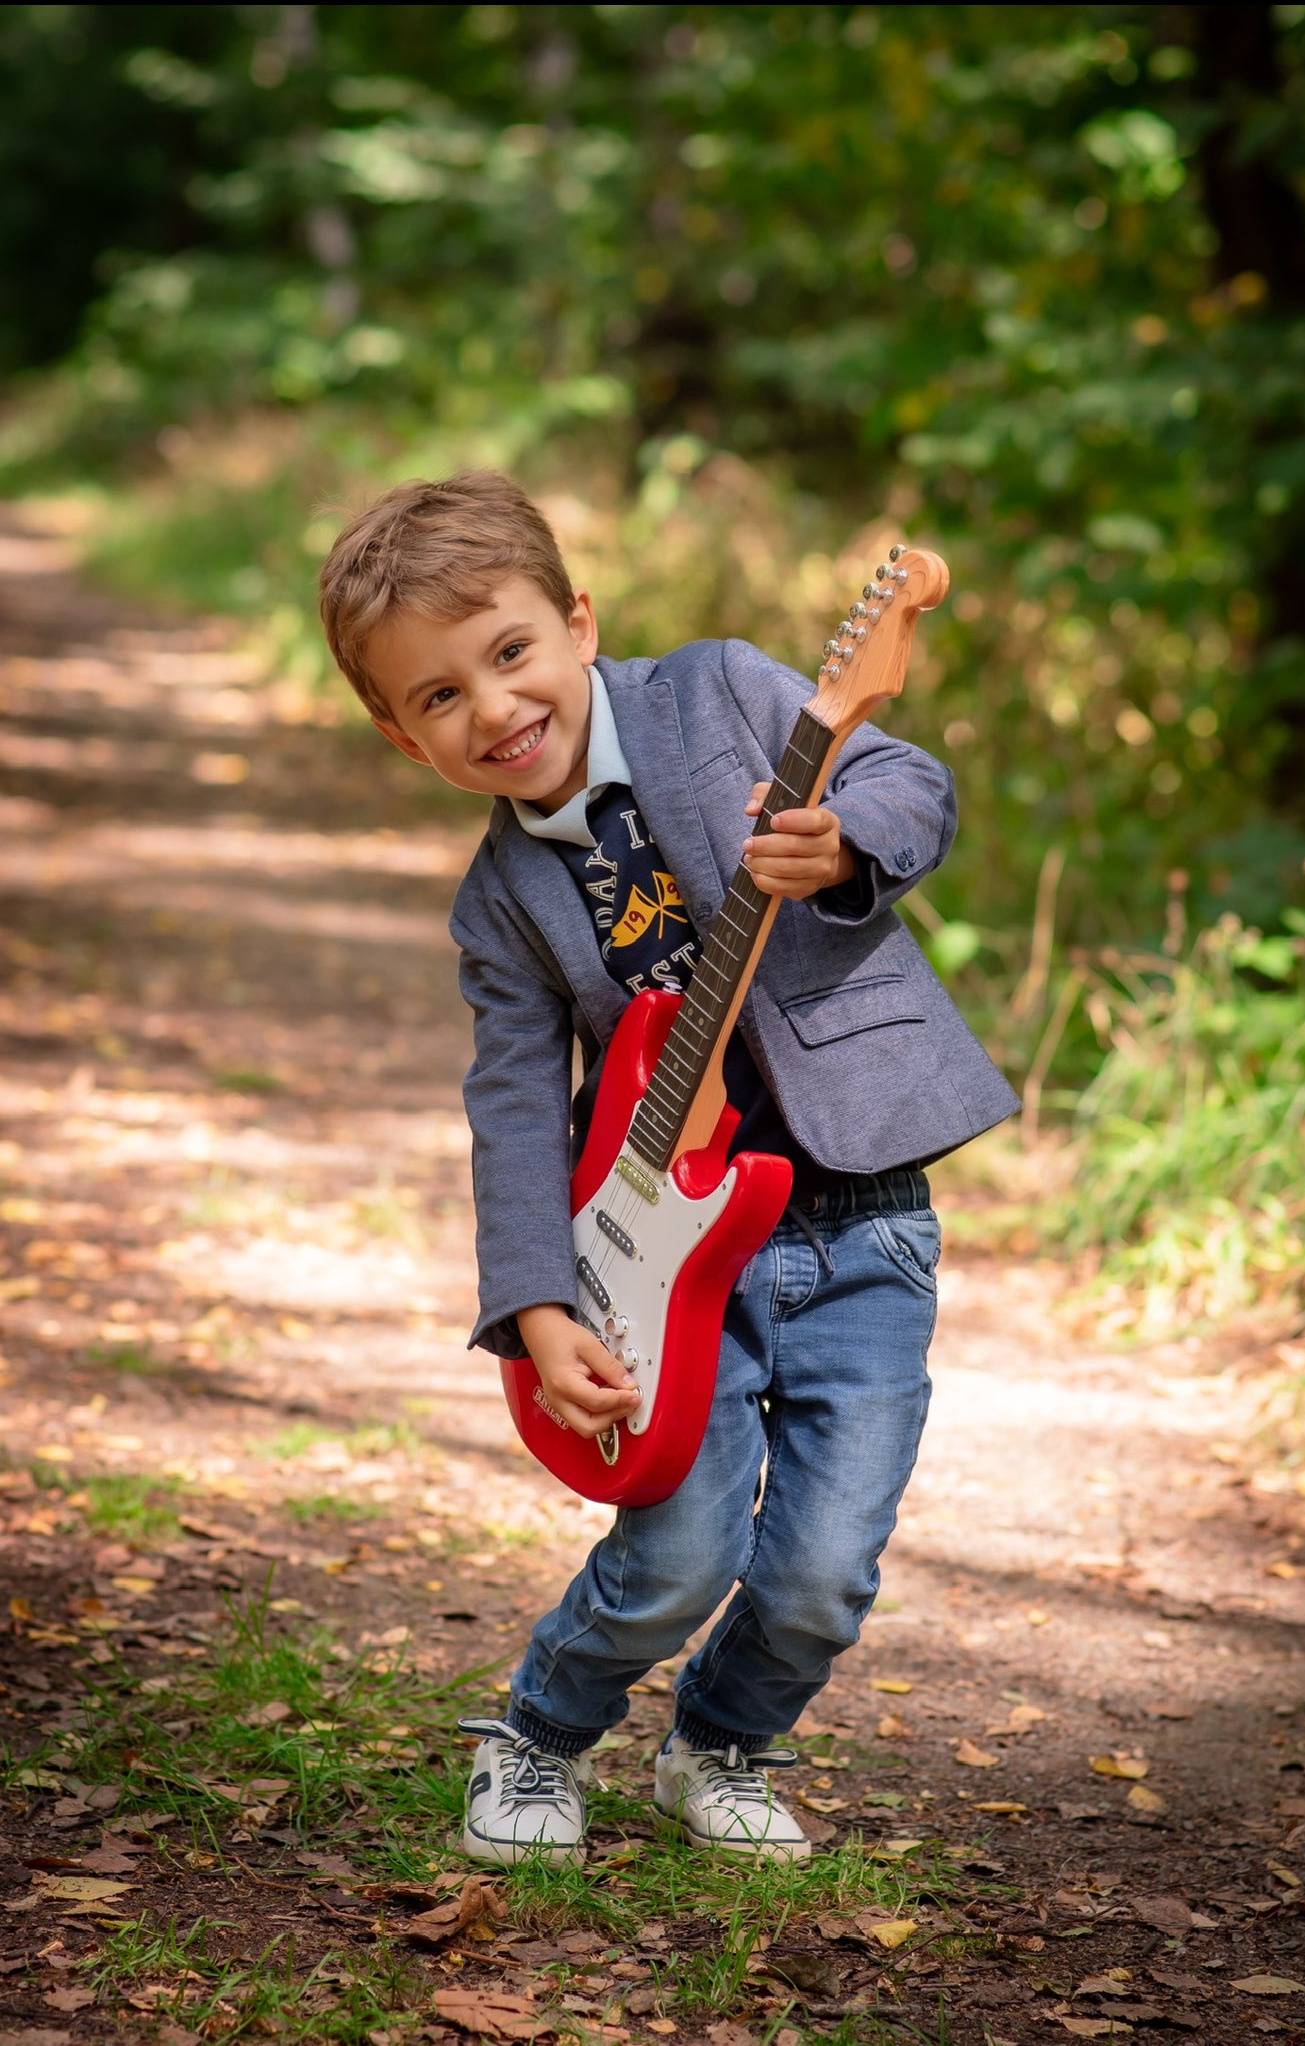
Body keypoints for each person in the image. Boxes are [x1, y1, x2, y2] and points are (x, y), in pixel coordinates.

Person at [318, 470, 1018, 1867]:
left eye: (509, 653)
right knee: (679, 1553)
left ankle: (723, 1742)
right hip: (661, 1255)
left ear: (576, 621)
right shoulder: (501, 900)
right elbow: (514, 1106)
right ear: (406, 741)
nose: (495, 708)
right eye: (439, 698)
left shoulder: (720, 694)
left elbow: (908, 780)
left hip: (862, 1211)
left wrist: (847, 841)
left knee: (823, 1571)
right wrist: (536, 1304)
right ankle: (538, 1731)